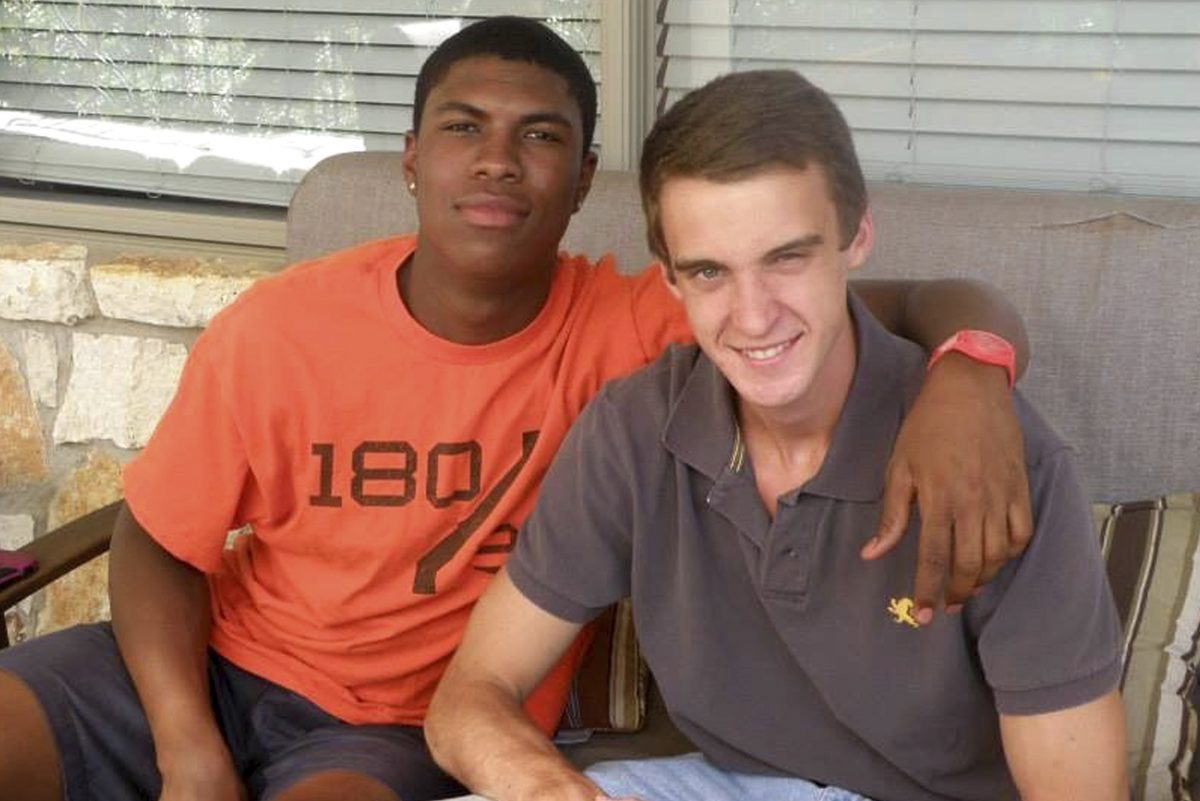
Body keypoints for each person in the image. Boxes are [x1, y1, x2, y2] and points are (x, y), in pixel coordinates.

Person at [0, 18, 1032, 801]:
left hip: (395, 732)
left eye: (539, 137)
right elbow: (158, 536)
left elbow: (912, 302)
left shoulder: (651, 324)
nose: (497, 158)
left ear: (583, 180)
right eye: (464, 129)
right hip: (203, 671)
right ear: (412, 157)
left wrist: (972, 375)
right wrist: (188, 750)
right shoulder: (280, 327)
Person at [425, 69, 1127, 801]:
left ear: (856, 237)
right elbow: (469, 694)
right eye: (709, 271)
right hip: (723, 785)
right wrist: (546, 789)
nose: (753, 317)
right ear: (669, 278)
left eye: (786, 257)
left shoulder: (998, 457)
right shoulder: (634, 428)